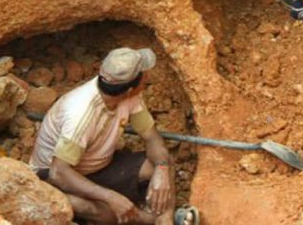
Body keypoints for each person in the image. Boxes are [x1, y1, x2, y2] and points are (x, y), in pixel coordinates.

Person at [29, 47, 198, 225]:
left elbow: (151, 137)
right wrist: (112, 197)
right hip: (54, 178)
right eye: (144, 73)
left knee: (163, 162)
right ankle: (152, 219)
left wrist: (162, 170)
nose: (147, 77)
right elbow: (59, 172)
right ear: (130, 88)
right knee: (97, 210)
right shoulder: (81, 114)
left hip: (97, 167)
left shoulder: (130, 96)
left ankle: (165, 222)